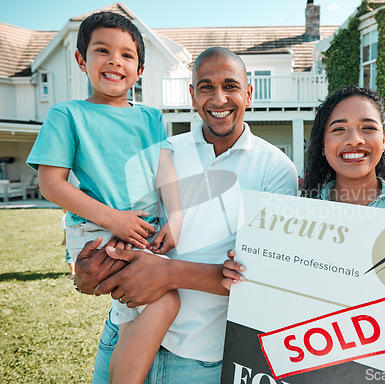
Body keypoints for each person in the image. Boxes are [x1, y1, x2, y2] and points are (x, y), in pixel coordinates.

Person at [72, 46, 298, 383]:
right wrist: (88, 273)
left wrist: (168, 274)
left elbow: (266, 277)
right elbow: (120, 227)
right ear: (192, 95)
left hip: (199, 360)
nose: (219, 98)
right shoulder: (164, 152)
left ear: (249, 93)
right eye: (206, 87)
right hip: (124, 335)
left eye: (231, 86)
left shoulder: (276, 169)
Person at [222, 86, 385, 384]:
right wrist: (246, 278)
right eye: (338, 129)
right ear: (322, 144)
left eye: (368, 127)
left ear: (383, 139)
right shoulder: (290, 221)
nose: (354, 139)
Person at [26, 12, 182, 384]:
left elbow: (165, 172)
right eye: (102, 50)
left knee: (132, 318)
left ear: (140, 69)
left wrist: (175, 217)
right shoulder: (68, 114)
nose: (115, 60)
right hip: (97, 229)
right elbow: (52, 184)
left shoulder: (150, 118)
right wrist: (116, 220)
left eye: (127, 55)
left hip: (143, 228)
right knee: (166, 299)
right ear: (82, 60)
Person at [61, 209, 76, 278]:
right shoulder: (76, 216)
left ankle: (73, 272)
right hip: (78, 239)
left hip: (70, 241)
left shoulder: (65, 218)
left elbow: (66, 231)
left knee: (70, 258)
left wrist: (64, 240)